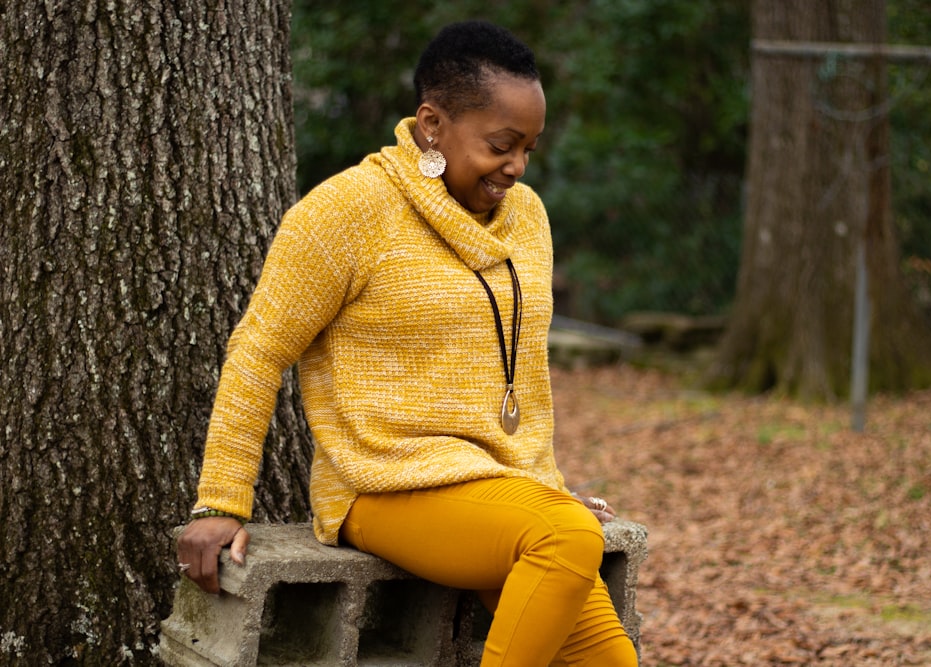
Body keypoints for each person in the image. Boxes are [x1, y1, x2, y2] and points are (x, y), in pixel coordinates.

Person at [176, 20, 638, 667]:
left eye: (529, 148)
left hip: (493, 484)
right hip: (382, 487)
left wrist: (539, 484)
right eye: (502, 145)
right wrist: (222, 500)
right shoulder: (345, 211)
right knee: (564, 535)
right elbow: (258, 351)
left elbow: (520, 371)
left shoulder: (527, 214)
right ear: (431, 125)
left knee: (610, 659)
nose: (517, 167)